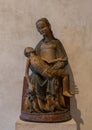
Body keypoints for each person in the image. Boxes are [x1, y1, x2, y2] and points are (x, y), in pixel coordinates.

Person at [24, 18, 73, 112]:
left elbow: (64, 60)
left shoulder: (56, 43)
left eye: (43, 27)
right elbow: (34, 60)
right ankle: (36, 106)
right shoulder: (40, 44)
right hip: (41, 72)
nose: (41, 30)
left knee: (53, 78)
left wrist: (55, 67)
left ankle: (52, 106)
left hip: (53, 70)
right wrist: (38, 70)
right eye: (39, 29)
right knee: (34, 77)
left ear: (49, 26)